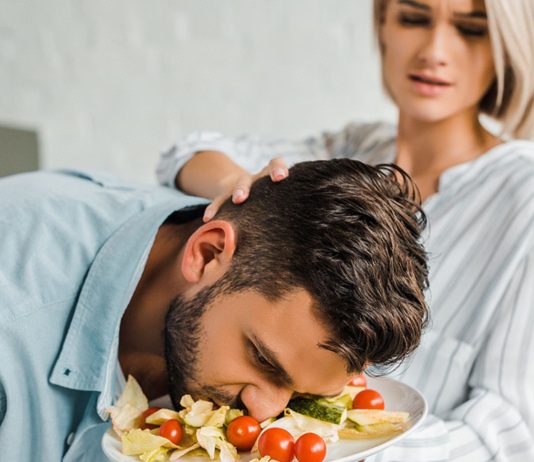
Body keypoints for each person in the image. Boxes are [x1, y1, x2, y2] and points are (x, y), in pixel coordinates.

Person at [155, 0, 534, 460]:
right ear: (383, 27)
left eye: (471, 30)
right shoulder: (352, 152)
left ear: (507, 47)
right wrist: (237, 192)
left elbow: (513, 429)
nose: (434, 51)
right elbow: (187, 152)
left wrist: (342, 447)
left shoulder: (525, 194)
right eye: (413, 19)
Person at [0, 160, 428, 461]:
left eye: (302, 397)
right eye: (261, 359)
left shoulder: (239, 281)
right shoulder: (13, 322)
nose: (265, 416)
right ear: (206, 254)